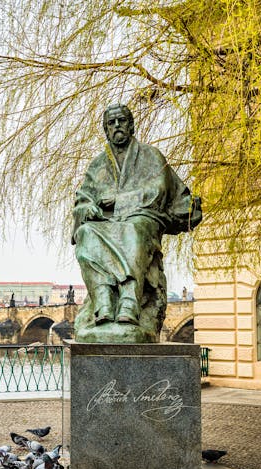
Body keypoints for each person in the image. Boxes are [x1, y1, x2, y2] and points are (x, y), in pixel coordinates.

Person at [72, 104, 202, 342]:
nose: (117, 126)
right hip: (105, 223)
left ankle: (130, 303)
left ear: (131, 125)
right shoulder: (98, 165)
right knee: (86, 233)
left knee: (133, 229)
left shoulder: (150, 156)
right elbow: (83, 198)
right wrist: (87, 207)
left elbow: (158, 190)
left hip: (144, 218)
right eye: (111, 123)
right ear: (106, 130)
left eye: (122, 121)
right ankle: (104, 302)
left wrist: (120, 201)